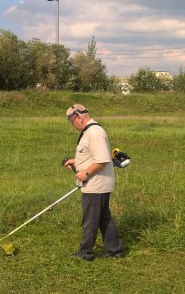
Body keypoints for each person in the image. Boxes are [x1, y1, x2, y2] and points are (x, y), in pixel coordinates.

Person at [63, 104, 124, 261]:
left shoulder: (94, 133)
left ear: (78, 117)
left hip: (96, 184)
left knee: (90, 220)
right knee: (104, 218)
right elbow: (93, 156)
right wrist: (76, 162)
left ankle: (86, 252)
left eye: (72, 122)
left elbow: (102, 160)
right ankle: (115, 251)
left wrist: (86, 173)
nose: (73, 126)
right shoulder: (90, 131)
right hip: (99, 183)